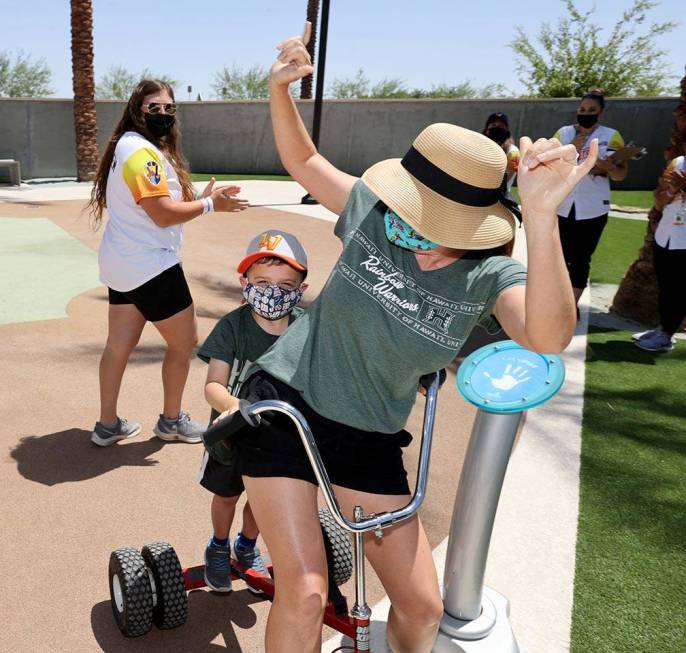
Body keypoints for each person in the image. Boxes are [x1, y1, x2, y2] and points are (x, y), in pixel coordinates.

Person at [220, 23, 599, 653]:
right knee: (307, 590)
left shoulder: (488, 274)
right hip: (286, 403)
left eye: (425, 216)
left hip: (368, 435)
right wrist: (279, 89)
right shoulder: (373, 214)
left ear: (472, 222)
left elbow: (546, 338)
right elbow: (305, 162)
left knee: (422, 608)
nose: (403, 223)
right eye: (405, 205)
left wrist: (539, 215)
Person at [87, 79, 249, 447]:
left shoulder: (129, 147)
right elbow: (161, 214)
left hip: (124, 263)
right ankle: (171, 421)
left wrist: (200, 199)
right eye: (153, 107)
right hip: (151, 266)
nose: (162, 114)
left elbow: (159, 205)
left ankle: (107, 425)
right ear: (136, 109)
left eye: (169, 108)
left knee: (118, 345)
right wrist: (211, 205)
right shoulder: (141, 152)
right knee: (184, 341)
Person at [197, 229, 308, 591]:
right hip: (233, 434)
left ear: (301, 290)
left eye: (285, 283)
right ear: (244, 283)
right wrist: (232, 405)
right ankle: (218, 546)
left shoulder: (307, 328)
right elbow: (213, 384)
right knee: (226, 495)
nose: (273, 291)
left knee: (264, 500)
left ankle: (246, 545)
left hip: (280, 435)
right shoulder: (233, 326)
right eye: (262, 281)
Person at [553, 89, 628, 309]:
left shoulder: (611, 135)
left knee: (580, 259)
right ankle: (554, 299)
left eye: (592, 110)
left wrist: (609, 166)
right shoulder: (563, 134)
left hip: (593, 208)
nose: (586, 113)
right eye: (583, 109)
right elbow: (552, 166)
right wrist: (572, 147)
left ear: (601, 112)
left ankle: (570, 306)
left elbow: (621, 175)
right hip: (563, 205)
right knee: (558, 256)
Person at [633, 156, 686, 351]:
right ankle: (664, 329)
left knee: (679, 290)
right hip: (666, 234)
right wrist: (673, 189)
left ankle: (666, 335)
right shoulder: (678, 162)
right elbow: (659, 200)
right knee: (666, 287)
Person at [483, 111, 520, 192]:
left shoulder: (513, 152)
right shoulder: (480, 146)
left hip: (498, 197)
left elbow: (505, 180)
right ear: (487, 129)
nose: (496, 128)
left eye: (501, 126)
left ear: (506, 130)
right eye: (493, 125)